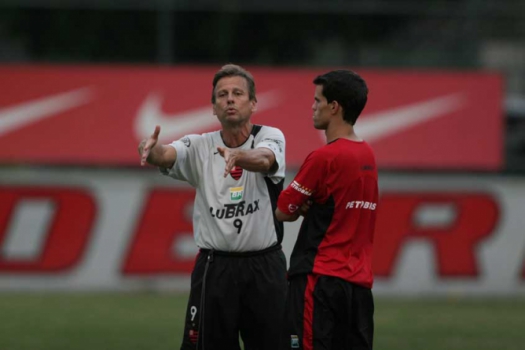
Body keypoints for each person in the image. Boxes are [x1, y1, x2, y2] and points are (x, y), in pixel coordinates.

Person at [138, 64, 288, 350]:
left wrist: (238, 156)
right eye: (222, 95)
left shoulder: (271, 135)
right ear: (213, 108)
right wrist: (149, 148)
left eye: (237, 93)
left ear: (253, 103)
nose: (229, 99)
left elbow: (266, 160)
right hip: (215, 267)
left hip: (265, 267)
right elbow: (166, 154)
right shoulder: (200, 146)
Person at [275, 70, 378, 350]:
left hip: (319, 280)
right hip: (358, 284)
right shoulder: (367, 154)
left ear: (334, 107)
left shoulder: (324, 157)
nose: (313, 106)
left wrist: (301, 206)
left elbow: (283, 209)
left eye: (317, 100)